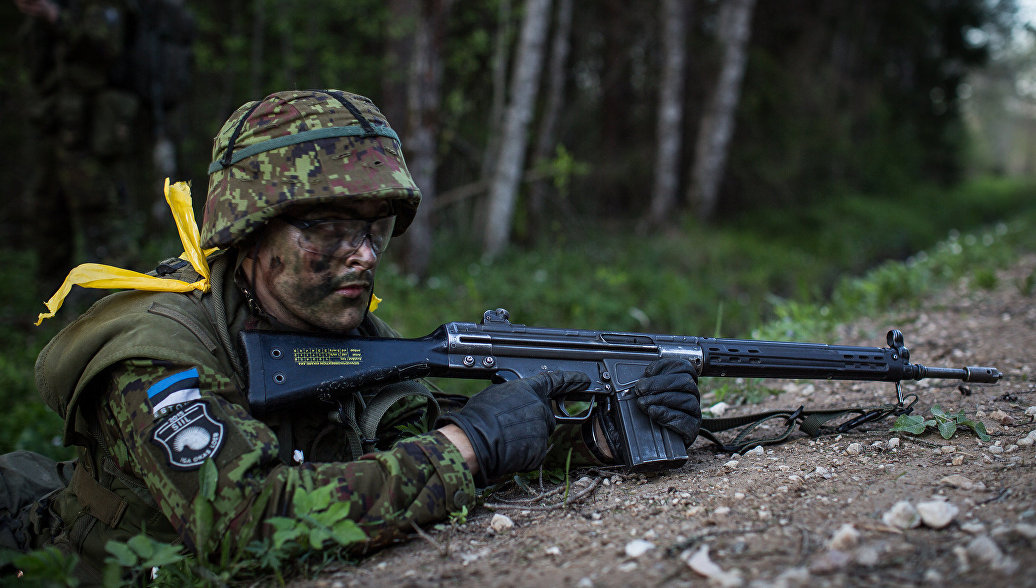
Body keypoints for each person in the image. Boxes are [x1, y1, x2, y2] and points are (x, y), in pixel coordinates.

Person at [14, 89, 702, 580]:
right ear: (248, 234)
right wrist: (469, 447)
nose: (365, 255)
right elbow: (245, 526)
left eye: (375, 229)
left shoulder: (353, 335)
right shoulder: (157, 355)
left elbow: (410, 446)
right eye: (331, 228)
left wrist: (591, 438)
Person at [13, 0, 193, 282]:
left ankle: (126, 296)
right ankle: (49, 307)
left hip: (94, 128)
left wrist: (57, 18)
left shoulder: (98, 7)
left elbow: (104, 45)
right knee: (48, 213)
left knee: (102, 212)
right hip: (54, 123)